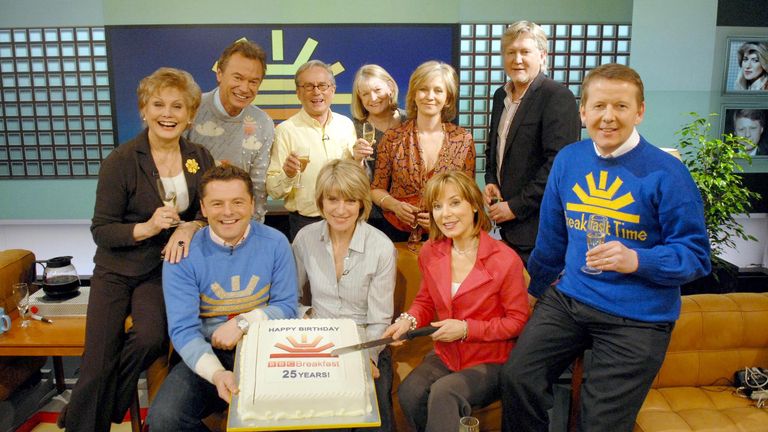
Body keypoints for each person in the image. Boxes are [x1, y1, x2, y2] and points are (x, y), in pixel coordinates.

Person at [501, 63, 711, 432]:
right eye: (598, 106)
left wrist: (637, 260)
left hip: (639, 318)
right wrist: (535, 291)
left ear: (640, 111)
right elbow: (552, 240)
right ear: (583, 112)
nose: (608, 117)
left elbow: (695, 256)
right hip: (570, 299)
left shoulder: (668, 173)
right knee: (518, 377)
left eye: (621, 106)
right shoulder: (569, 160)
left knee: (600, 422)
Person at [60, 67, 215, 432]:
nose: (168, 113)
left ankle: (96, 402)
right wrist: (145, 228)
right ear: (144, 111)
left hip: (162, 271)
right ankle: (84, 421)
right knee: (97, 359)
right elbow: (102, 231)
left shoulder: (199, 157)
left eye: (178, 106)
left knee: (151, 338)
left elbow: (205, 212)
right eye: (158, 104)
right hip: (116, 270)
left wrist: (190, 226)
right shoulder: (121, 161)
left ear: (190, 115)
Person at [147, 163, 298, 430]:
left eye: (238, 202)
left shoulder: (276, 243)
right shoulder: (181, 254)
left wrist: (243, 322)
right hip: (207, 352)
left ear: (252, 204)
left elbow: (286, 306)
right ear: (203, 209)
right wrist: (216, 374)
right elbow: (183, 330)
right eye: (217, 204)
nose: (228, 212)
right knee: (164, 419)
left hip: (265, 350)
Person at [381, 170, 529, 432]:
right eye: (437, 206)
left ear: (473, 205)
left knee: (445, 393)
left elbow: (517, 322)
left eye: (455, 202)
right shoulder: (430, 252)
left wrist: (466, 329)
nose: (445, 214)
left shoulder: (505, 259)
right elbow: (425, 301)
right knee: (409, 392)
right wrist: (407, 320)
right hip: (446, 355)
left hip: (492, 361)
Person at [292, 158, 397, 432]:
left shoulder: (382, 247)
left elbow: (380, 320)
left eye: (350, 200)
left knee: (373, 419)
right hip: (318, 342)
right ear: (321, 202)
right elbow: (288, 299)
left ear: (362, 203)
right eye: (333, 199)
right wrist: (307, 317)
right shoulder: (305, 238)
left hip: (367, 342)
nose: (341, 210)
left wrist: (369, 358)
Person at [483, 20, 581, 263]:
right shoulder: (500, 96)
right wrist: (491, 180)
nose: (517, 59)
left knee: (534, 299)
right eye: (511, 52)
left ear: (542, 55)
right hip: (505, 227)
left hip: (538, 230)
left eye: (525, 52)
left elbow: (557, 165)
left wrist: (515, 207)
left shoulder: (557, 97)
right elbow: (494, 147)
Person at [371, 61, 476, 242]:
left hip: (447, 234)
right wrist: (395, 205)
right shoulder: (392, 138)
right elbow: (376, 190)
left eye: (438, 90)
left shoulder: (463, 140)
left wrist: (440, 219)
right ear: (413, 95)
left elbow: (468, 197)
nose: (430, 96)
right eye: (423, 89)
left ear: (448, 98)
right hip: (396, 234)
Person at [267, 60, 358, 240]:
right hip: (306, 223)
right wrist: (288, 174)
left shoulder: (346, 125)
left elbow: (355, 177)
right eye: (308, 86)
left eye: (322, 85)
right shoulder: (285, 131)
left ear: (332, 89)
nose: (316, 92)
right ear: (298, 93)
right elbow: (273, 191)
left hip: (346, 217)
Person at [185, 39, 274, 222]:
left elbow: (257, 186)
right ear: (219, 73)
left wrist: (252, 230)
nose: (244, 88)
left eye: (253, 81)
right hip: (189, 223)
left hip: (237, 223)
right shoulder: (190, 108)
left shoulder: (263, 122)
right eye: (238, 78)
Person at [350, 64, 406, 232]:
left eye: (377, 90)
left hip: (410, 214)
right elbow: (351, 182)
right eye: (365, 94)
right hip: (371, 217)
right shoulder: (354, 129)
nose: (372, 98)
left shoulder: (411, 120)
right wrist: (357, 160)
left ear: (390, 87)